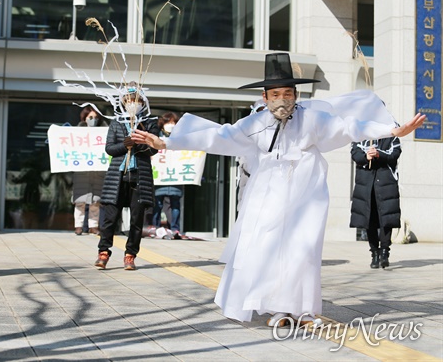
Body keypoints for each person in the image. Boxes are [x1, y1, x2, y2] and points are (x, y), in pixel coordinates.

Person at [131, 52, 425, 326]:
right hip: (269, 190)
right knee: (269, 248)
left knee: (303, 248)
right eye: (275, 95)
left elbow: (349, 127)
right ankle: (279, 308)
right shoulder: (256, 122)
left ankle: (305, 308)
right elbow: (218, 136)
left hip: (307, 189)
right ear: (265, 97)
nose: (282, 100)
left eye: (288, 94)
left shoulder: (312, 118)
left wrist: (390, 131)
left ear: (296, 95)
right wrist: (166, 142)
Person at [95, 82, 160, 271]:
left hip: (140, 177)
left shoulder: (149, 123)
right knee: (110, 218)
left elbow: (154, 149)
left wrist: (139, 144)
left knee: (136, 220)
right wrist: (125, 145)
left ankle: (130, 255)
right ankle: (103, 252)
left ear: (143, 102)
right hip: (117, 177)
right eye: (129, 101)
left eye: (136, 100)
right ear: (123, 102)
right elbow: (109, 149)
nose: (133, 104)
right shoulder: (116, 123)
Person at [350, 137, 401, 269]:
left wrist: (379, 154)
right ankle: (374, 253)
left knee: (386, 218)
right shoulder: (360, 134)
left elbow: (395, 153)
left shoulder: (391, 134)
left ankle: (385, 251)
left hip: (386, 182)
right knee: (369, 218)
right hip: (365, 183)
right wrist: (366, 156)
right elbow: (355, 153)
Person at [73, 107, 107, 235]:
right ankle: (78, 226)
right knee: (80, 201)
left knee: (95, 202)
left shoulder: (104, 133)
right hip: (82, 172)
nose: (93, 120)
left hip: (97, 172)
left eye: (96, 118)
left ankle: (93, 226)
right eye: (90, 117)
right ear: (85, 118)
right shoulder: (76, 133)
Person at [153, 112, 183, 236]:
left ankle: (175, 228)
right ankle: (155, 227)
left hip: (176, 177)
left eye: (173, 123)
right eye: (168, 123)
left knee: (175, 205)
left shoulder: (181, 140)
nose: (171, 125)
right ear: (162, 124)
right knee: (157, 204)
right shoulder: (157, 138)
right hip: (160, 176)